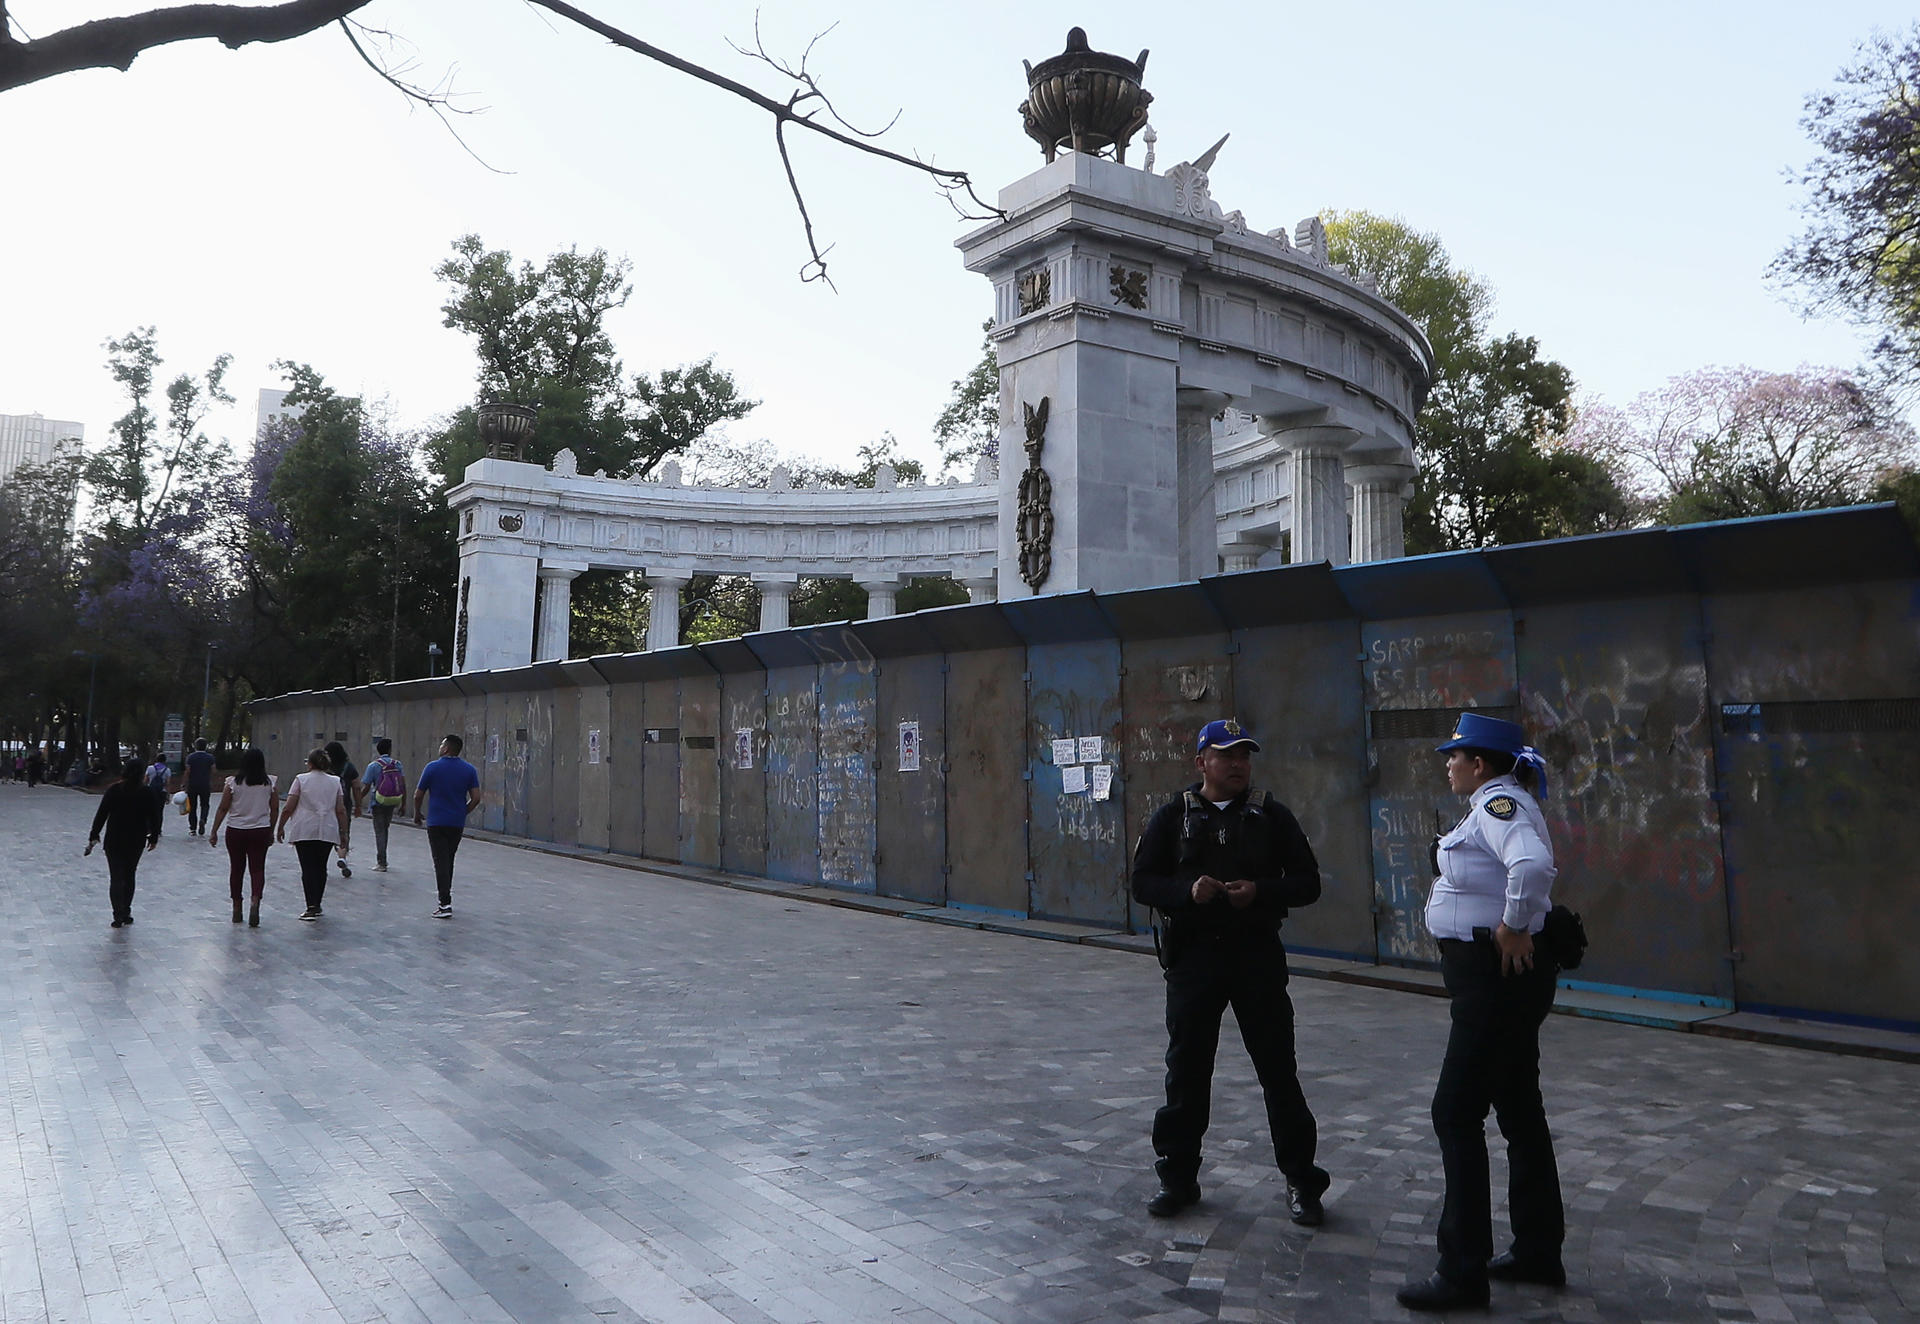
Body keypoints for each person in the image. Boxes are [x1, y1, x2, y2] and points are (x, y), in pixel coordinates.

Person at [1130, 718, 1331, 1225]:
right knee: (1187, 1071)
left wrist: (1261, 892)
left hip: (1255, 956)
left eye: (1244, 755)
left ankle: (1303, 1182)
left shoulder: (1271, 816)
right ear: (1202, 762)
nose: (1238, 764)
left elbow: (1308, 882)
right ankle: (1177, 1178)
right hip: (1194, 960)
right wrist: (1185, 893)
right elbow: (1142, 882)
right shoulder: (1172, 816)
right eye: (1226, 755)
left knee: (1278, 1071)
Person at [1396, 711, 1566, 1312]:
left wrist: (1514, 925)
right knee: (1519, 1106)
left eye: (1455, 756)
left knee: (1455, 1112)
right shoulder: (1496, 800)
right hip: (1496, 981)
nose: (1449, 764)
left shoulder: (1499, 802)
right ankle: (1538, 1250)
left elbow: (1532, 866)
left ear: (1480, 763)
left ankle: (1462, 1270)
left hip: (1495, 980)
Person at [85, 758, 162, 927]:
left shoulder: (114, 790)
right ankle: (126, 911)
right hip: (136, 839)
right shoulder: (147, 792)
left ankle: (117, 915)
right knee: (130, 875)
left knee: (116, 877)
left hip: (114, 839)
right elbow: (155, 817)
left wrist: (94, 834)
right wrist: (154, 836)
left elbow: (101, 814)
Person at [208, 747, 279, 926]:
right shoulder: (270, 782)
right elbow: (275, 808)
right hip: (260, 830)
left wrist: (214, 830)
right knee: (257, 869)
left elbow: (223, 808)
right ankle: (255, 901)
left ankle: (237, 906)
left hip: (236, 830)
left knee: (236, 869)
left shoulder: (232, 783)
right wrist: (271, 830)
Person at [413, 734, 481, 919]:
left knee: (440, 861)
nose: (440, 747)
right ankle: (445, 898)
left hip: (436, 822)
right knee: (449, 858)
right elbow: (476, 798)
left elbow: (418, 795)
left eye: (442, 744)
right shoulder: (469, 770)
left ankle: (445, 903)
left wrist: (417, 813)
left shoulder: (432, 767)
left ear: (446, 748)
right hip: (456, 823)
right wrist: (462, 811)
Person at [277, 748, 349, 920]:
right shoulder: (335, 781)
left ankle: (311, 905)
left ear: (309, 763)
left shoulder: (301, 780)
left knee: (307, 867)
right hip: (328, 828)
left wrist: (280, 826)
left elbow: (289, 806)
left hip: (305, 828)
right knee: (321, 867)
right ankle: (317, 903)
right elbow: (340, 809)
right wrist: (344, 832)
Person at [357, 737, 407, 872]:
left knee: (380, 832)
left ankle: (382, 862)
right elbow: (402, 785)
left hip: (378, 802)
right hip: (393, 801)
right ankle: (383, 859)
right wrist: (403, 804)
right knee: (385, 829)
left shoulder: (373, 766)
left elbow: (366, 787)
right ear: (390, 750)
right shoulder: (398, 764)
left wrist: (358, 800)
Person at [323, 741, 360, 878]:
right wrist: (358, 805)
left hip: (327, 805)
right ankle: (342, 857)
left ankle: (323, 865)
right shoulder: (349, 767)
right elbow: (356, 786)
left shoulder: (325, 767)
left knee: (327, 834)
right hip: (344, 804)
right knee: (343, 832)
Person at [184, 738, 217, 835]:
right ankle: (203, 819)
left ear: (195, 746)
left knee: (192, 807)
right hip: (205, 784)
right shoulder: (210, 757)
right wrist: (211, 780)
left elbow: (188, 771)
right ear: (206, 746)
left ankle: (193, 828)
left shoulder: (190, 757)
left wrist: (184, 783)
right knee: (205, 805)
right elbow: (214, 771)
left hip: (192, 785)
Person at [145, 753, 172, 835]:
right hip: (161, 792)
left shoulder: (150, 768)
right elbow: (168, 783)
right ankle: (158, 830)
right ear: (165, 761)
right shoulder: (167, 770)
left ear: (156, 759)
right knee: (159, 812)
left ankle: (149, 829)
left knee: (149, 810)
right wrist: (168, 795)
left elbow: (145, 780)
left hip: (150, 792)